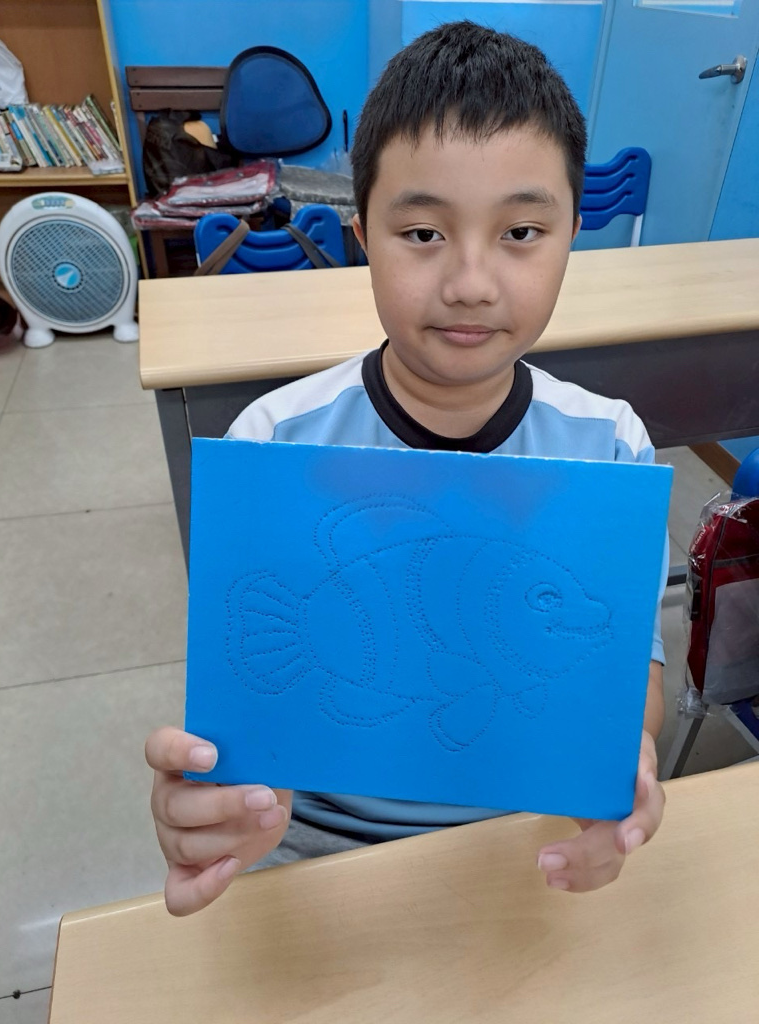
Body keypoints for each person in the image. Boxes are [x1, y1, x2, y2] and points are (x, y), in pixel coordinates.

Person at [146, 21, 667, 917]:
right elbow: (250, 708)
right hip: (308, 844)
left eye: (522, 231)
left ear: (573, 235)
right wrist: (221, 809)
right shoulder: (274, 441)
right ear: (362, 235)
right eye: (423, 232)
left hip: (531, 833)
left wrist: (632, 755)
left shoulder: (610, 447)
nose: (470, 280)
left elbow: (631, 662)